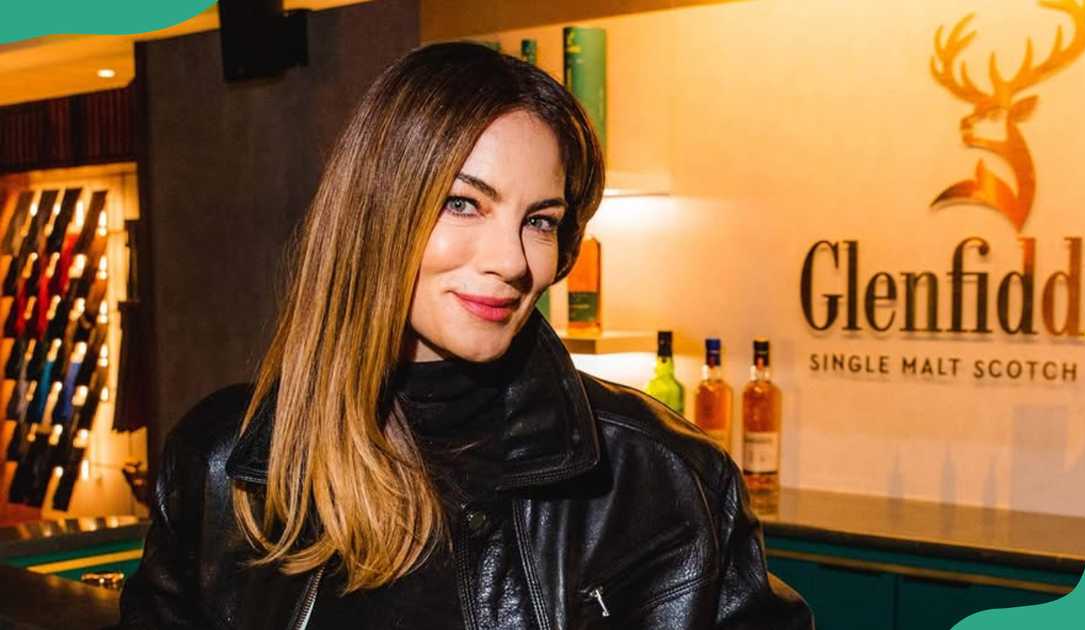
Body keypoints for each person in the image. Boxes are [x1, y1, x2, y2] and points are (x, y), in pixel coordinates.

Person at [117, 42, 812, 629]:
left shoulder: (664, 479)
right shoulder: (223, 465)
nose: (511, 260)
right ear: (376, 210)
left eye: (539, 220)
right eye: (463, 203)